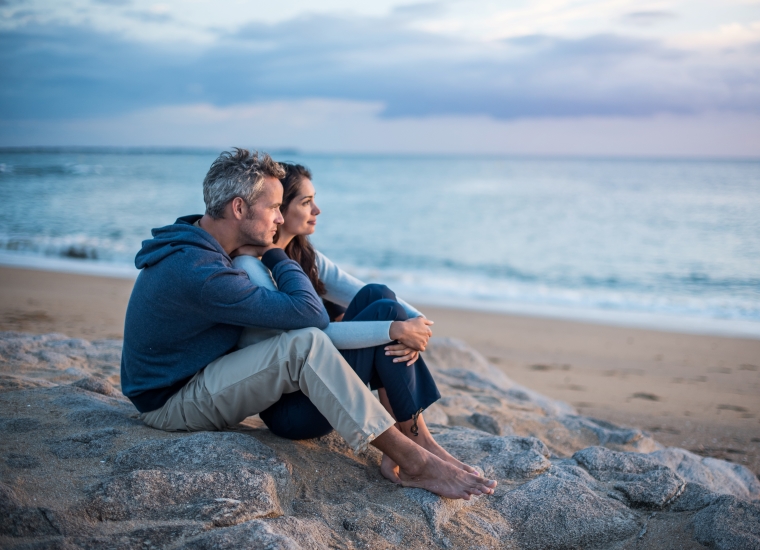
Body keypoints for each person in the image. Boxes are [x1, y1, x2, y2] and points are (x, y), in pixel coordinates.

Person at [120, 148, 496, 499]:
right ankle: (415, 461)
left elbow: (331, 302)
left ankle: (415, 441)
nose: (279, 218)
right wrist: (274, 252)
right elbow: (310, 315)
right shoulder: (203, 272)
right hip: (170, 402)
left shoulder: (201, 244)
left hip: (190, 378)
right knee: (305, 346)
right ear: (238, 207)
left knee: (371, 303)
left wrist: (406, 322)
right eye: (273, 207)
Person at [232, 162, 479, 480]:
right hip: (291, 411)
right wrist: (395, 329)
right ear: (280, 209)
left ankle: (411, 439)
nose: (317, 210)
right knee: (386, 316)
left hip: (322, 387)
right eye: (306, 202)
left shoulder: (304, 256)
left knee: (379, 295)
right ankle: (416, 442)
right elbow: (309, 341)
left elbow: (366, 293)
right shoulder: (250, 268)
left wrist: (416, 324)